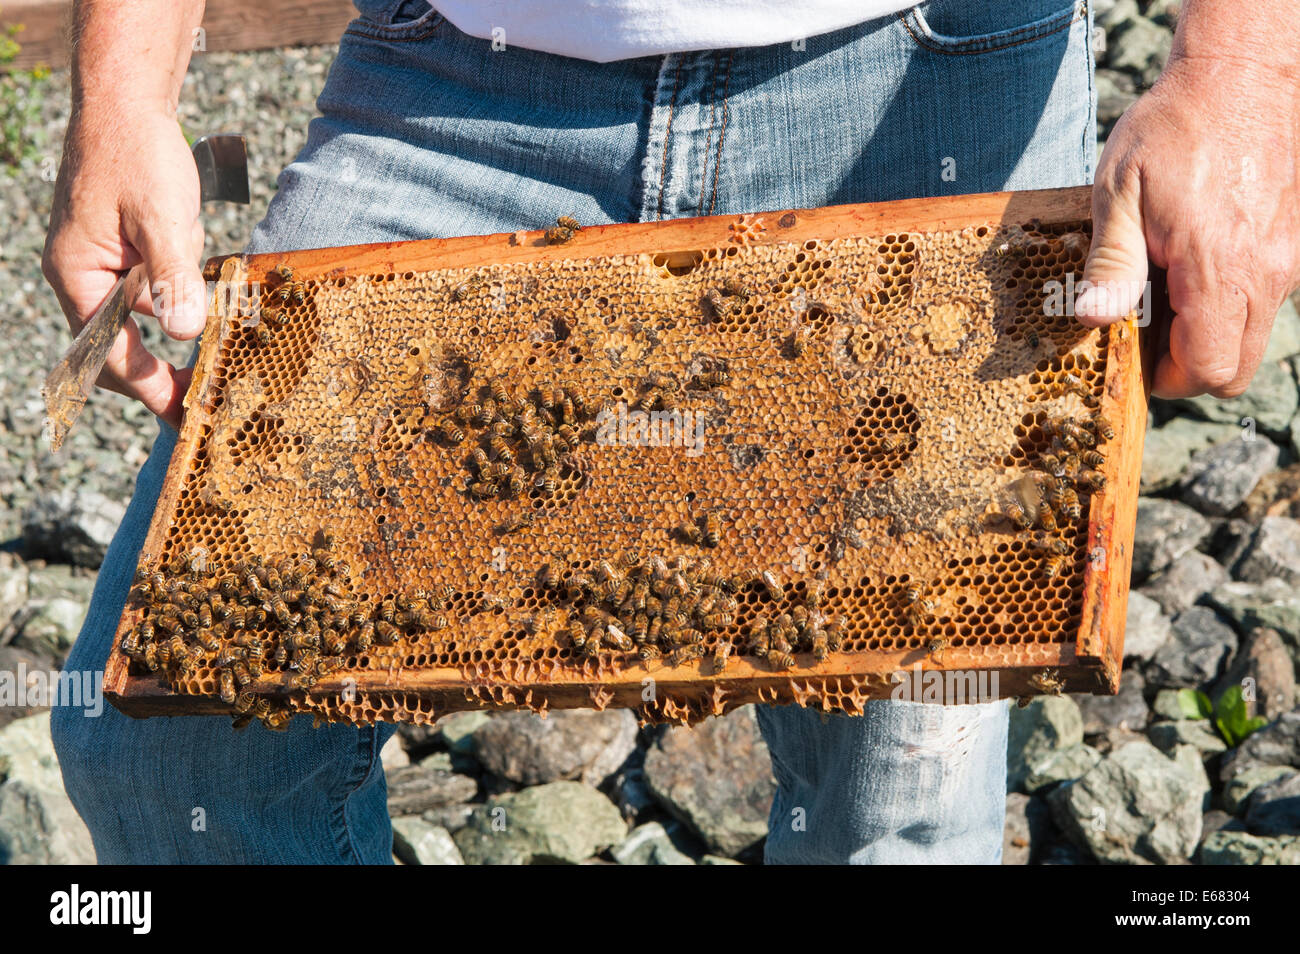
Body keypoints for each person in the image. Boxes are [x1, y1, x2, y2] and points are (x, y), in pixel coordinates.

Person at [44, 0, 1300, 864]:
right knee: (174, 749)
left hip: (928, 69)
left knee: (897, 803)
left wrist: (1242, 70)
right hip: (451, 84)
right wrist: (124, 86)